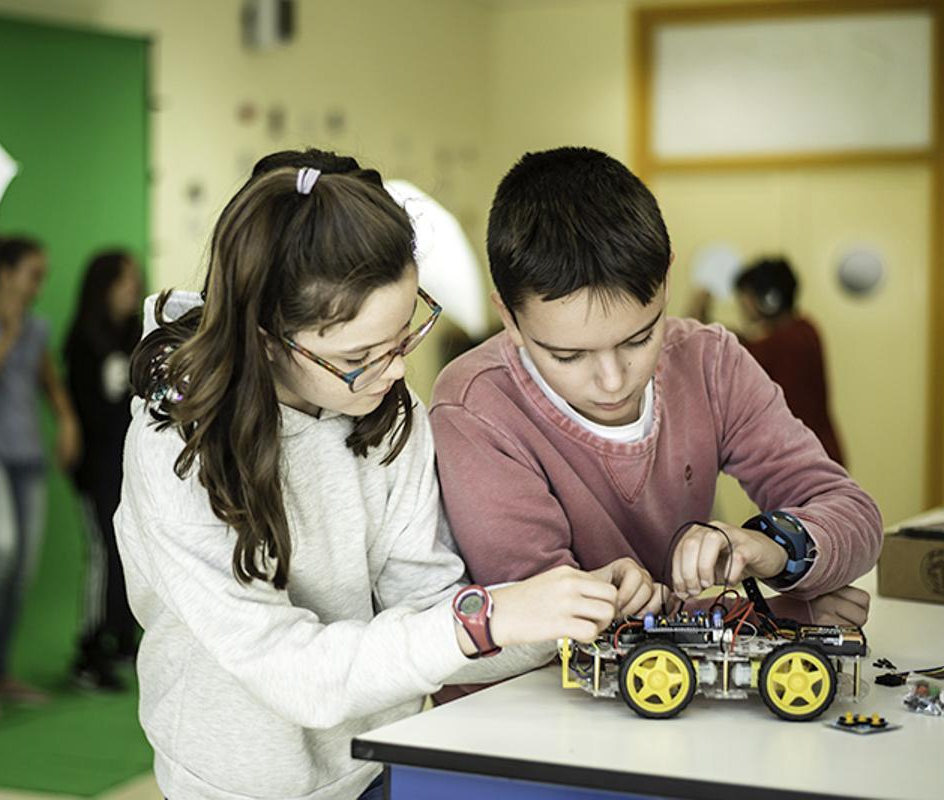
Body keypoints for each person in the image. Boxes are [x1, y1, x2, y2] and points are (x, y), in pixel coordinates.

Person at [115, 151, 660, 800]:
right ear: (266, 338)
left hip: (379, 763)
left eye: (405, 336)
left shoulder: (386, 412)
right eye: (358, 357)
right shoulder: (179, 448)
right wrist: (489, 619)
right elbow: (293, 671)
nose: (397, 372)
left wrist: (563, 610)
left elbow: (427, 611)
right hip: (235, 785)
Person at [430, 147, 882, 703]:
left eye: (640, 338)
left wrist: (774, 547)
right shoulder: (476, 405)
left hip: (661, 705)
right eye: (568, 357)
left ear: (666, 280)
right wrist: (769, 612)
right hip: (521, 721)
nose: (613, 380)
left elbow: (853, 513)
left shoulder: (710, 361)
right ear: (510, 318)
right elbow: (552, 618)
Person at [0, 235, 81, 724]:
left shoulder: (36, 329)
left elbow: (51, 386)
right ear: (5, 273)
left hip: (26, 460)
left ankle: (0, 671)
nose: (39, 285)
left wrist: (67, 421)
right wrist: (4, 337)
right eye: (33, 275)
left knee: (21, 569)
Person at [63, 249, 144, 690]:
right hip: (96, 467)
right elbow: (82, 410)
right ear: (102, 287)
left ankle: (123, 639)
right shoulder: (83, 340)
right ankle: (89, 650)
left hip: (131, 464)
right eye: (122, 281)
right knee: (102, 553)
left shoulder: (138, 335)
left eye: (135, 279)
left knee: (132, 551)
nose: (132, 289)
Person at [694, 257, 845, 465]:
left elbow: (729, 349)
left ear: (769, 299)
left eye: (745, 297)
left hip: (807, 461)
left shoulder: (787, 342)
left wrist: (697, 313)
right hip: (815, 454)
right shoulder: (804, 329)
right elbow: (747, 342)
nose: (742, 305)